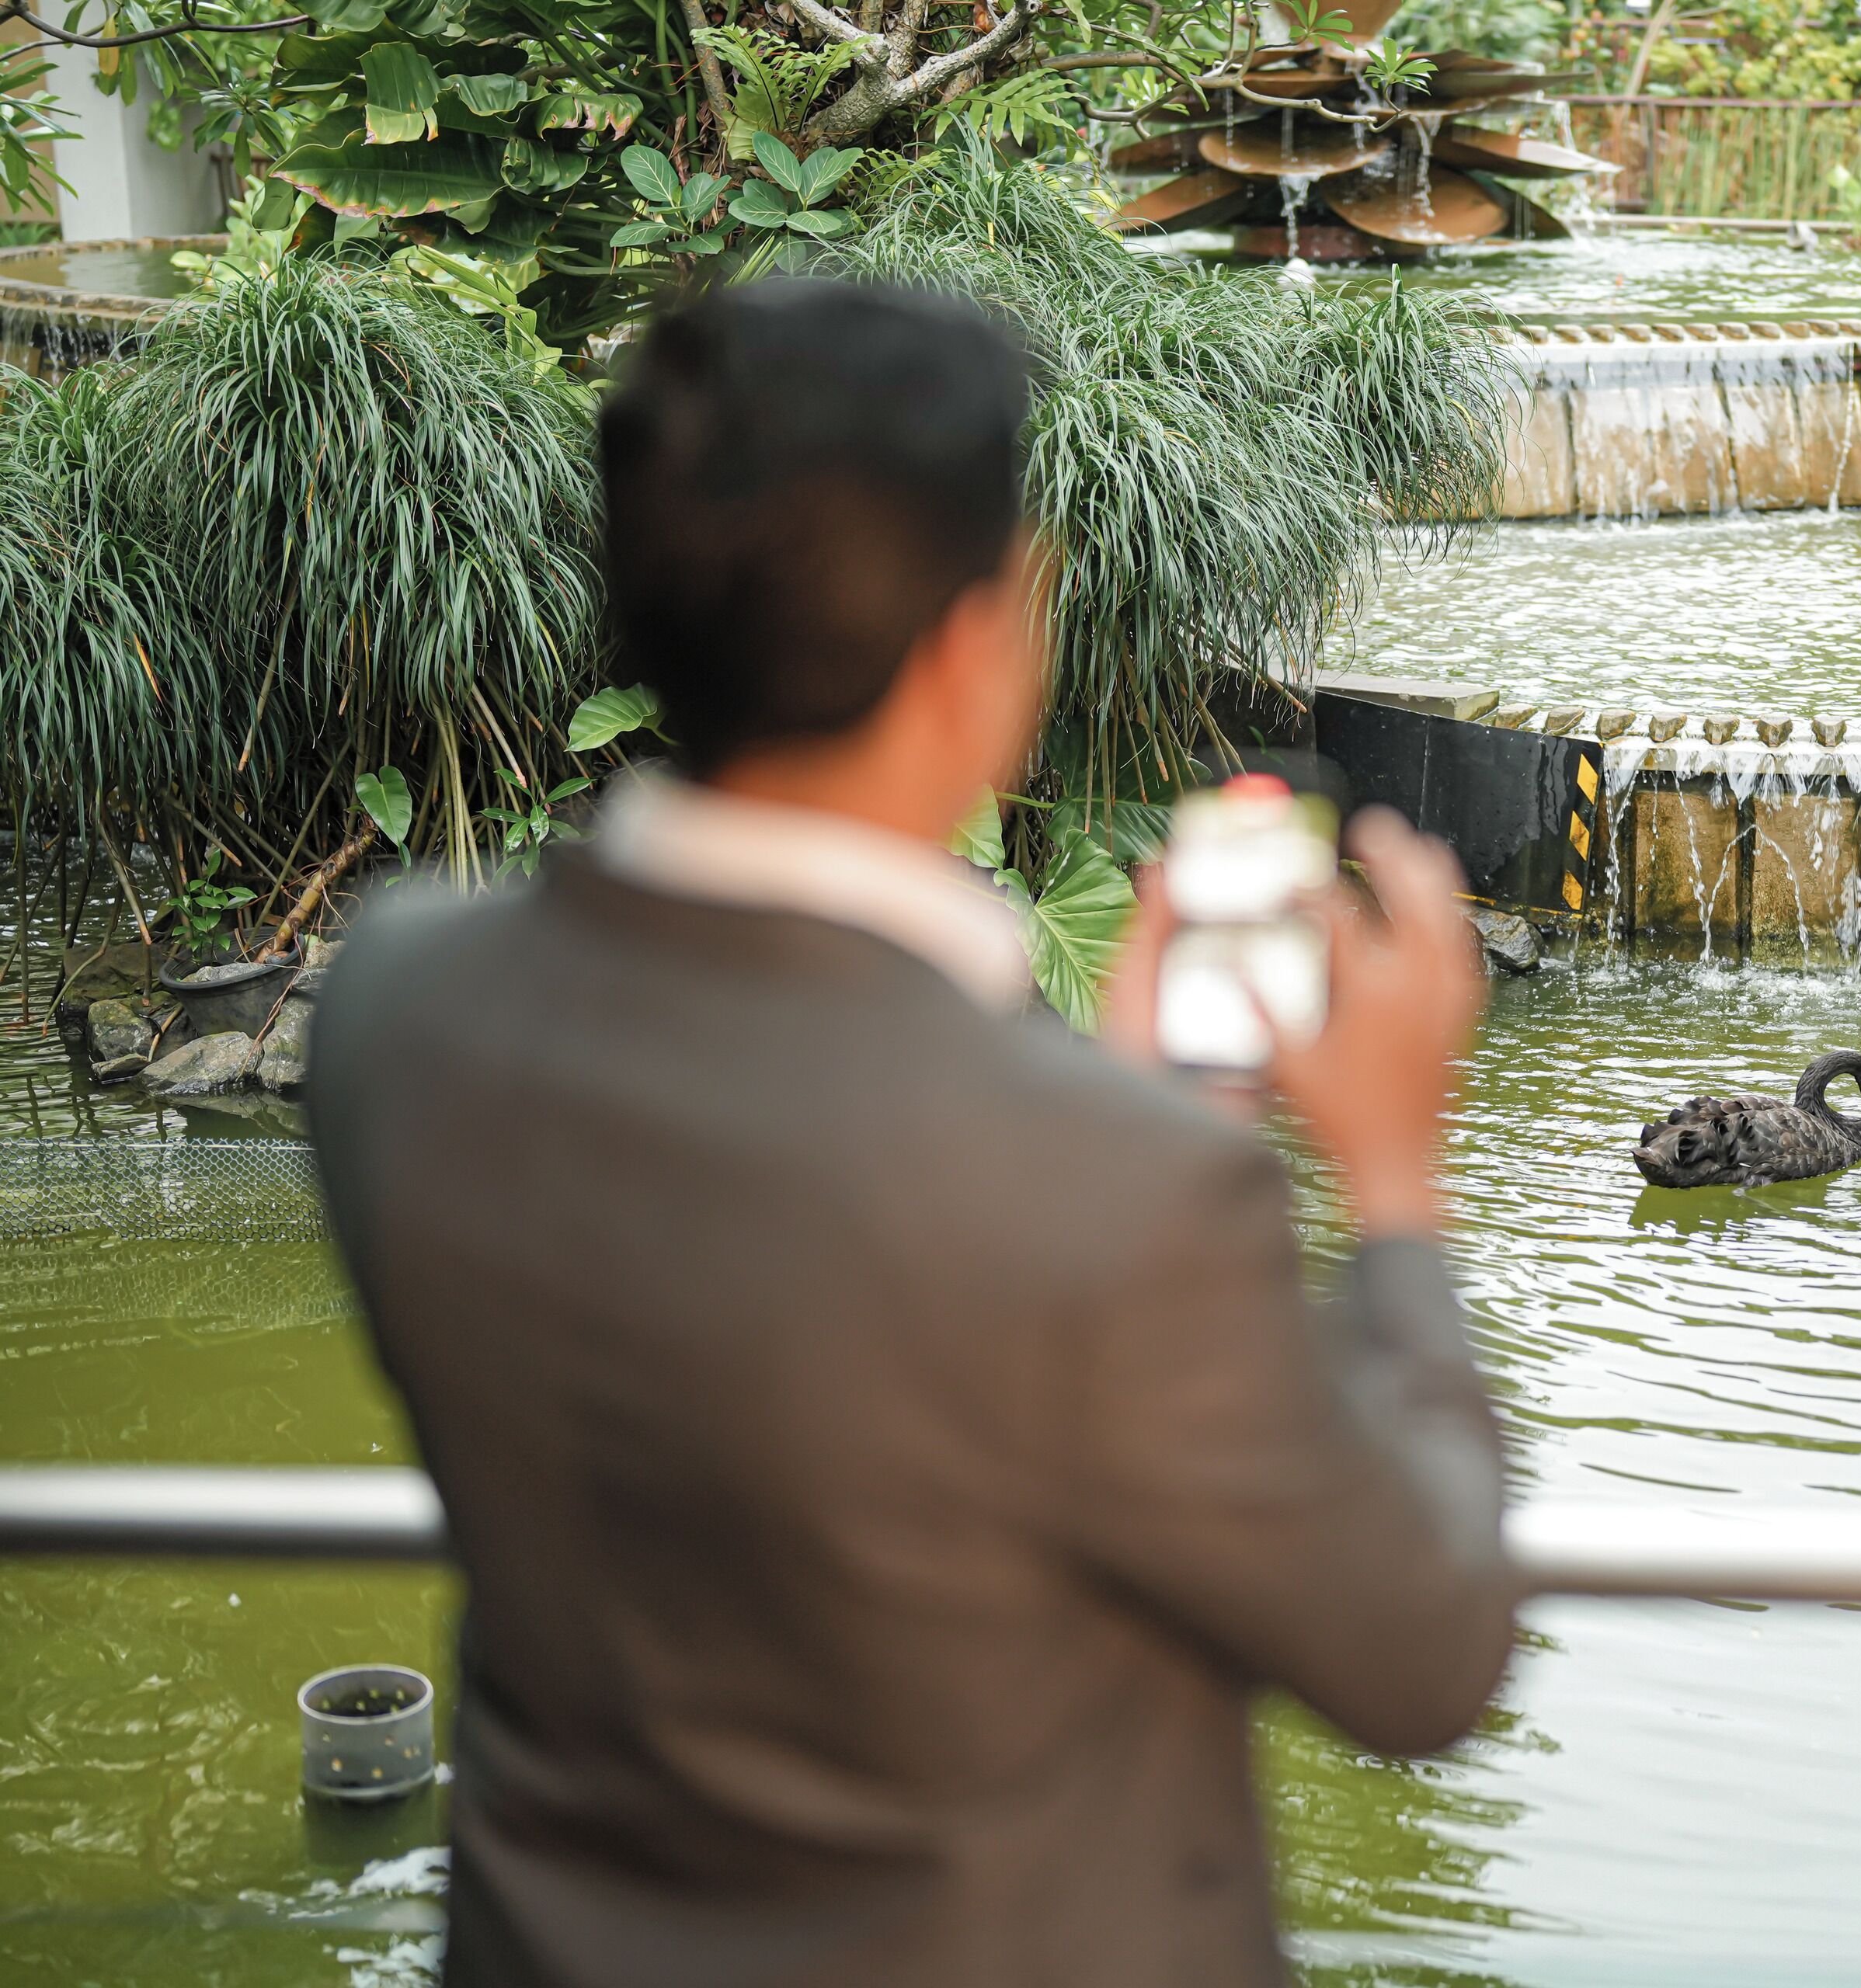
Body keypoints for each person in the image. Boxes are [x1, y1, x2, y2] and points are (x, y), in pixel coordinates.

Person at [306, 279, 1516, 1988]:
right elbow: (1424, 1648)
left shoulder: (399, 1008)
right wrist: (1395, 1180)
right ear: (971, 642)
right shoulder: (1109, 1196)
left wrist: (1128, 1113)